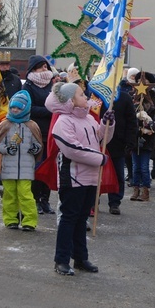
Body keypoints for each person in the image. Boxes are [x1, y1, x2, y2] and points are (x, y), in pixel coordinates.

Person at [45, 81, 115, 276]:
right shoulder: (63, 122)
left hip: (91, 177)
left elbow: (101, 139)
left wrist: (107, 123)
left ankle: (80, 258)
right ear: (71, 101)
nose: (86, 97)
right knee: (69, 218)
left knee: (82, 218)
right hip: (73, 177)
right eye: (82, 95)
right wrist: (99, 159)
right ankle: (61, 260)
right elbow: (72, 149)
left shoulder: (89, 119)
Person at [0, 91, 43, 231]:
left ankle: (29, 221)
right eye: (13, 107)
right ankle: (11, 219)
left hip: (26, 167)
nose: (15, 110)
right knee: (9, 194)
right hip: (8, 166)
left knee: (25, 194)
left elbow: (38, 144)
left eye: (19, 108)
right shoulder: (4, 125)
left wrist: (35, 148)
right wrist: (7, 149)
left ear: (25, 108)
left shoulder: (32, 125)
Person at [22, 55, 56, 214]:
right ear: (33, 69)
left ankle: (45, 200)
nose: (45, 69)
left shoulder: (52, 85)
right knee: (37, 166)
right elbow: (28, 108)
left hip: (50, 132)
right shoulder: (28, 86)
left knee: (48, 167)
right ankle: (34, 199)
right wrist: (49, 110)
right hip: (35, 132)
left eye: (46, 66)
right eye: (41, 67)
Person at [100, 80, 137, 215]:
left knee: (117, 175)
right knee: (97, 174)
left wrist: (130, 141)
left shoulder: (124, 97)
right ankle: (93, 201)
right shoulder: (98, 97)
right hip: (99, 142)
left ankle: (115, 202)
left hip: (118, 143)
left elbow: (132, 121)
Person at [129, 70, 155, 202]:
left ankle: (145, 190)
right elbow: (129, 120)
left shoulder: (152, 108)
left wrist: (147, 127)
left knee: (144, 167)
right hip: (134, 140)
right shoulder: (132, 105)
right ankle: (135, 189)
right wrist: (135, 127)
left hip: (147, 141)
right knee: (135, 166)